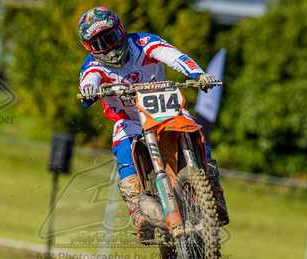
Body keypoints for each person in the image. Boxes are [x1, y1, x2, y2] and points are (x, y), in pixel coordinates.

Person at [78, 7, 229, 235]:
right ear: (90, 49)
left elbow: (174, 56)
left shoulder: (143, 43)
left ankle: (213, 192)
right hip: (129, 119)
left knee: (193, 129)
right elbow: (88, 81)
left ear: (121, 30)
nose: (108, 48)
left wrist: (198, 74)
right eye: (99, 44)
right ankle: (137, 208)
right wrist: (88, 92)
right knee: (122, 146)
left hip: (164, 109)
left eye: (111, 38)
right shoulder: (93, 66)